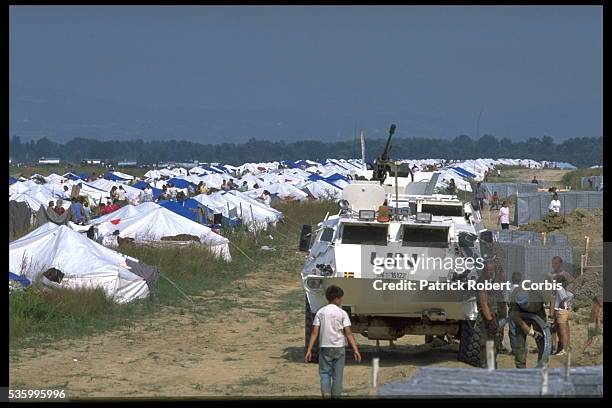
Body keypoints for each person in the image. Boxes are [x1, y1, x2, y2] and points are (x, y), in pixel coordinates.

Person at [304, 285, 362, 398]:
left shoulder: (320, 312)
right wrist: (356, 350)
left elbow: (315, 332)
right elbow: (348, 333)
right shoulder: (342, 313)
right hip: (339, 348)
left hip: (324, 347)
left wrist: (309, 350)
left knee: (324, 373)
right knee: (337, 376)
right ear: (336, 298)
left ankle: (326, 394)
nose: (341, 300)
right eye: (341, 298)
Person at [509, 277, 547, 368]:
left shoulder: (538, 291)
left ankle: (542, 365)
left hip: (538, 313)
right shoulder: (515, 293)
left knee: (543, 340)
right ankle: (520, 366)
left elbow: (552, 299)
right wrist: (529, 330)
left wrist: (551, 316)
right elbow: (514, 315)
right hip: (522, 315)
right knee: (519, 340)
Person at [477, 260, 502, 368]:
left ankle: (491, 365)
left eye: (492, 270)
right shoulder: (482, 282)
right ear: (484, 270)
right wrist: (490, 320)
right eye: (488, 270)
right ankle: (485, 366)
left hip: (493, 315)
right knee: (486, 343)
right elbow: (483, 303)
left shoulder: (491, 281)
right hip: (485, 318)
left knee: (495, 342)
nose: (491, 272)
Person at [549, 275, 573, 356]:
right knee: (560, 331)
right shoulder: (560, 288)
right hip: (560, 311)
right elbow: (570, 295)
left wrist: (561, 304)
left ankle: (564, 349)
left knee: (562, 331)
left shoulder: (559, 288)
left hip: (560, 311)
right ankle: (562, 348)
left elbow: (565, 297)